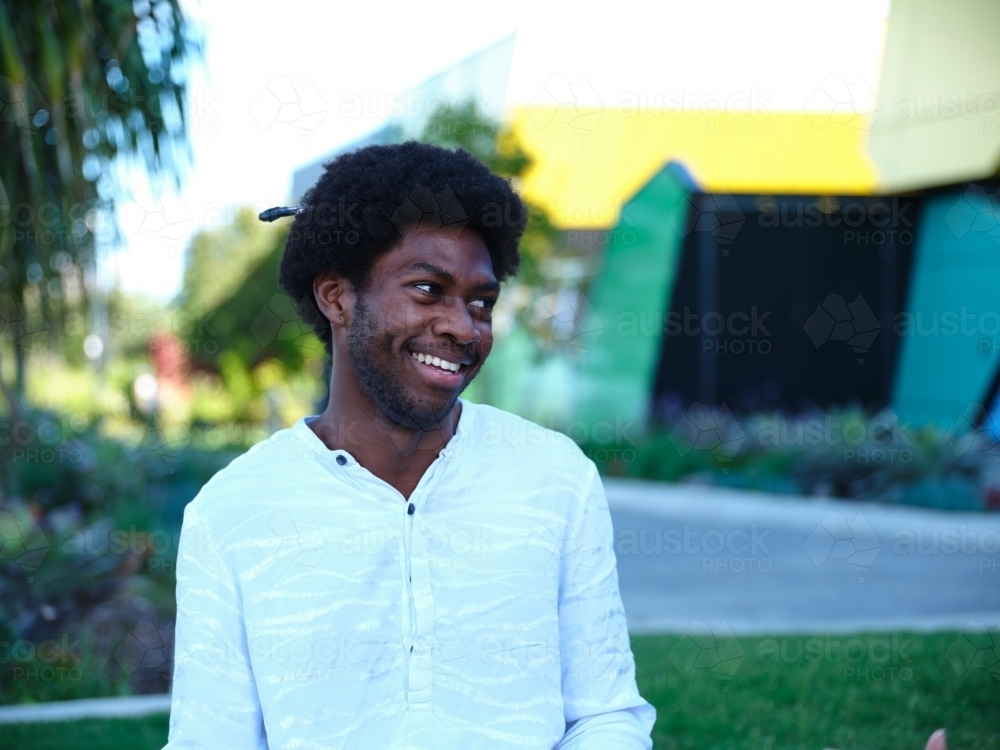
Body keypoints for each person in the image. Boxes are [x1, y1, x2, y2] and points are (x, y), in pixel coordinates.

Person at [163, 141, 657, 749]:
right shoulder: (232, 514)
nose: (462, 326)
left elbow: (604, 716)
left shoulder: (556, 481)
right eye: (428, 289)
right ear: (337, 296)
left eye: (481, 302)